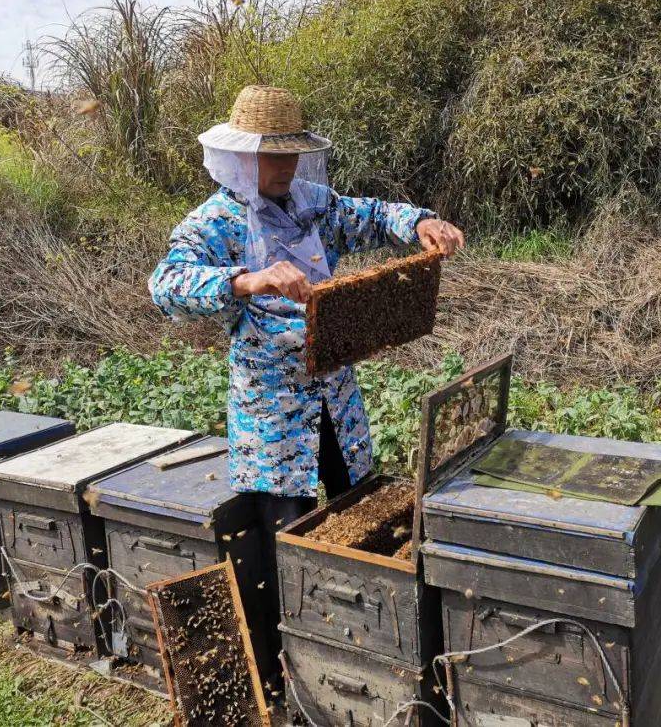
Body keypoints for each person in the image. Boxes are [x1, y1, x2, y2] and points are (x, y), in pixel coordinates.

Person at [148, 84, 464, 671]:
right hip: (271, 407)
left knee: (360, 508)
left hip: (334, 394)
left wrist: (420, 222)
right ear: (242, 155)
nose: (286, 166)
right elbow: (166, 285)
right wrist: (248, 280)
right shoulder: (213, 221)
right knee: (285, 530)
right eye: (274, 155)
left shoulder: (311, 200)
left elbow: (369, 214)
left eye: (293, 153)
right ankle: (294, 658)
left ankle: (364, 643)